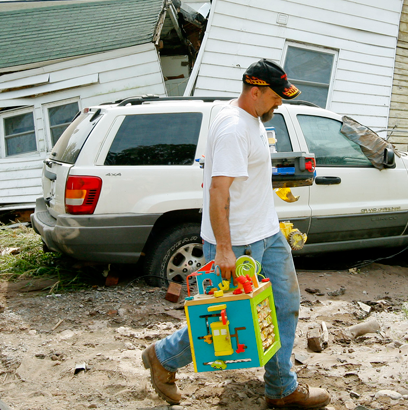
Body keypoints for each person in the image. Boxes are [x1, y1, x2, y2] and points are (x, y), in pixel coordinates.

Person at [141, 59, 330, 409]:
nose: (280, 103)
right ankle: (162, 357)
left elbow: (245, 176)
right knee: (225, 319)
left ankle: (281, 387)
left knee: (285, 304)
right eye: (276, 96)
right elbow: (218, 192)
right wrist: (225, 250)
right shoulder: (233, 128)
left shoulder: (251, 116)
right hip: (237, 241)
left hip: (267, 233)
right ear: (255, 90)